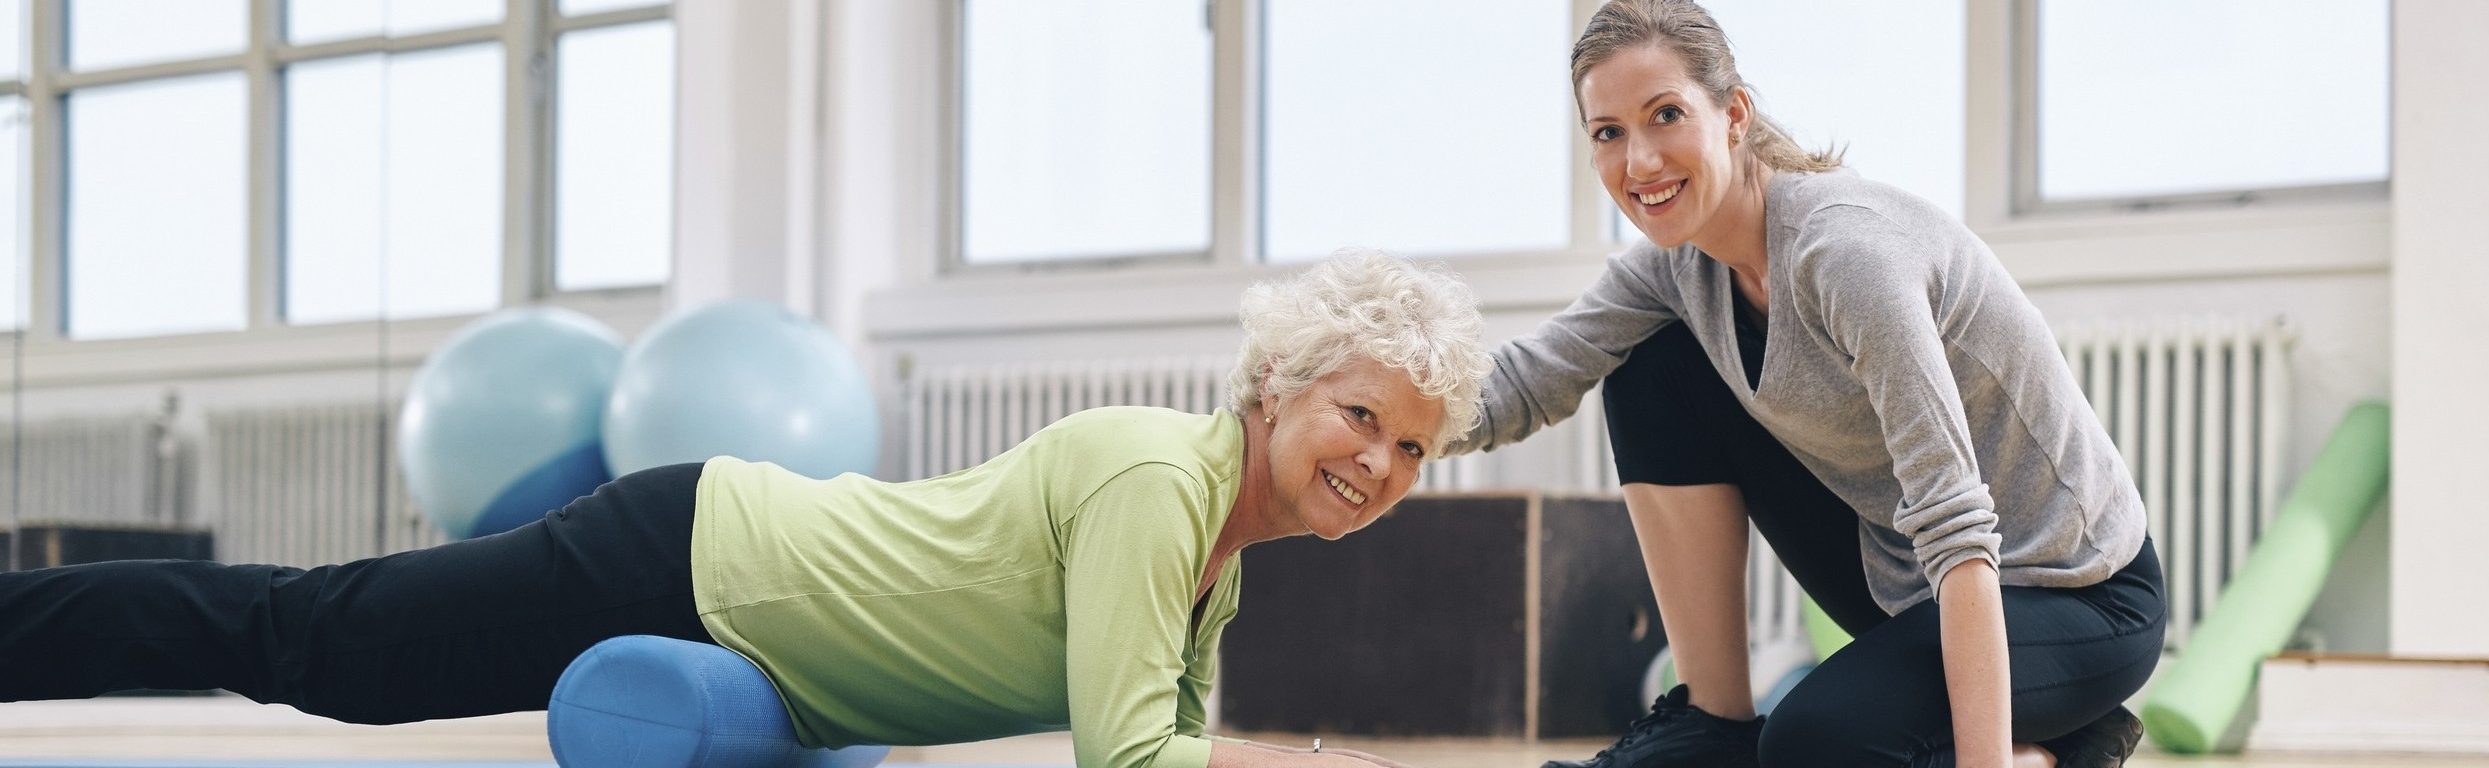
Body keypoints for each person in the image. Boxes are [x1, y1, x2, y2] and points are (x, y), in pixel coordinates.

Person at [0, 249, 1489, 768]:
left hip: (723, 588)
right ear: (1282, 385)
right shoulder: (1162, 480)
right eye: (1362, 416)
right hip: (690, 561)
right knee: (313, 646)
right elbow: (1130, 753)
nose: (1378, 464)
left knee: (314, 642)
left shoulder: (1215, 567)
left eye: (1414, 450)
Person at [1457, 2, 2165, 767]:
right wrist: (1365, 432)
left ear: (1734, 116)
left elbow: (1958, 530)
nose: (1640, 162)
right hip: (1906, 579)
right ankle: (1713, 727)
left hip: (2077, 593)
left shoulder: (1847, 256)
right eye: (1609, 133)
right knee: (1650, 369)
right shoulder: (1676, 268)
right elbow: (1526, 383)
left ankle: (2068, 749)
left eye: (1666, 115)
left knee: (1813, 746)